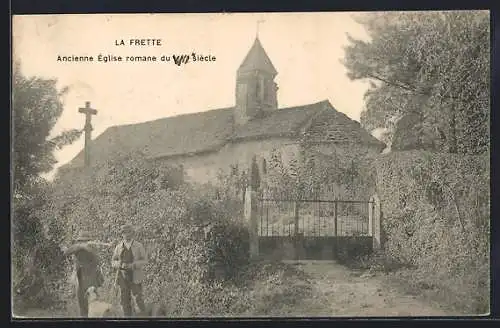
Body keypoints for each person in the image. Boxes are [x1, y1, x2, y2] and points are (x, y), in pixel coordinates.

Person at [63, 231, 105, 317]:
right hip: (80, 277)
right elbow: (67, 252)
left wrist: (87, 248)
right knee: (81, 302)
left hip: (91, 278)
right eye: (81, 241)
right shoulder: (76, 248)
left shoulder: (93, 248)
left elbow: (98, 260)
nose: (84, 242)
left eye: (85, 240)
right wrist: (80, 246)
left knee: (93, 303)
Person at [111, 224, 148, 317]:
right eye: (124, 233)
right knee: (124, 301)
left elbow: (145, 260)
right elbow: (113, 261)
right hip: (122, 277)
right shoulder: (118, 247)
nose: (127, 235)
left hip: (135, 276)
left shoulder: (139, 246)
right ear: (122, 234)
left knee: (138, 299)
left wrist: (133, 265)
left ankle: (144, 319)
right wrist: (119, 264)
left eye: (129, 232)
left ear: (132, 233)